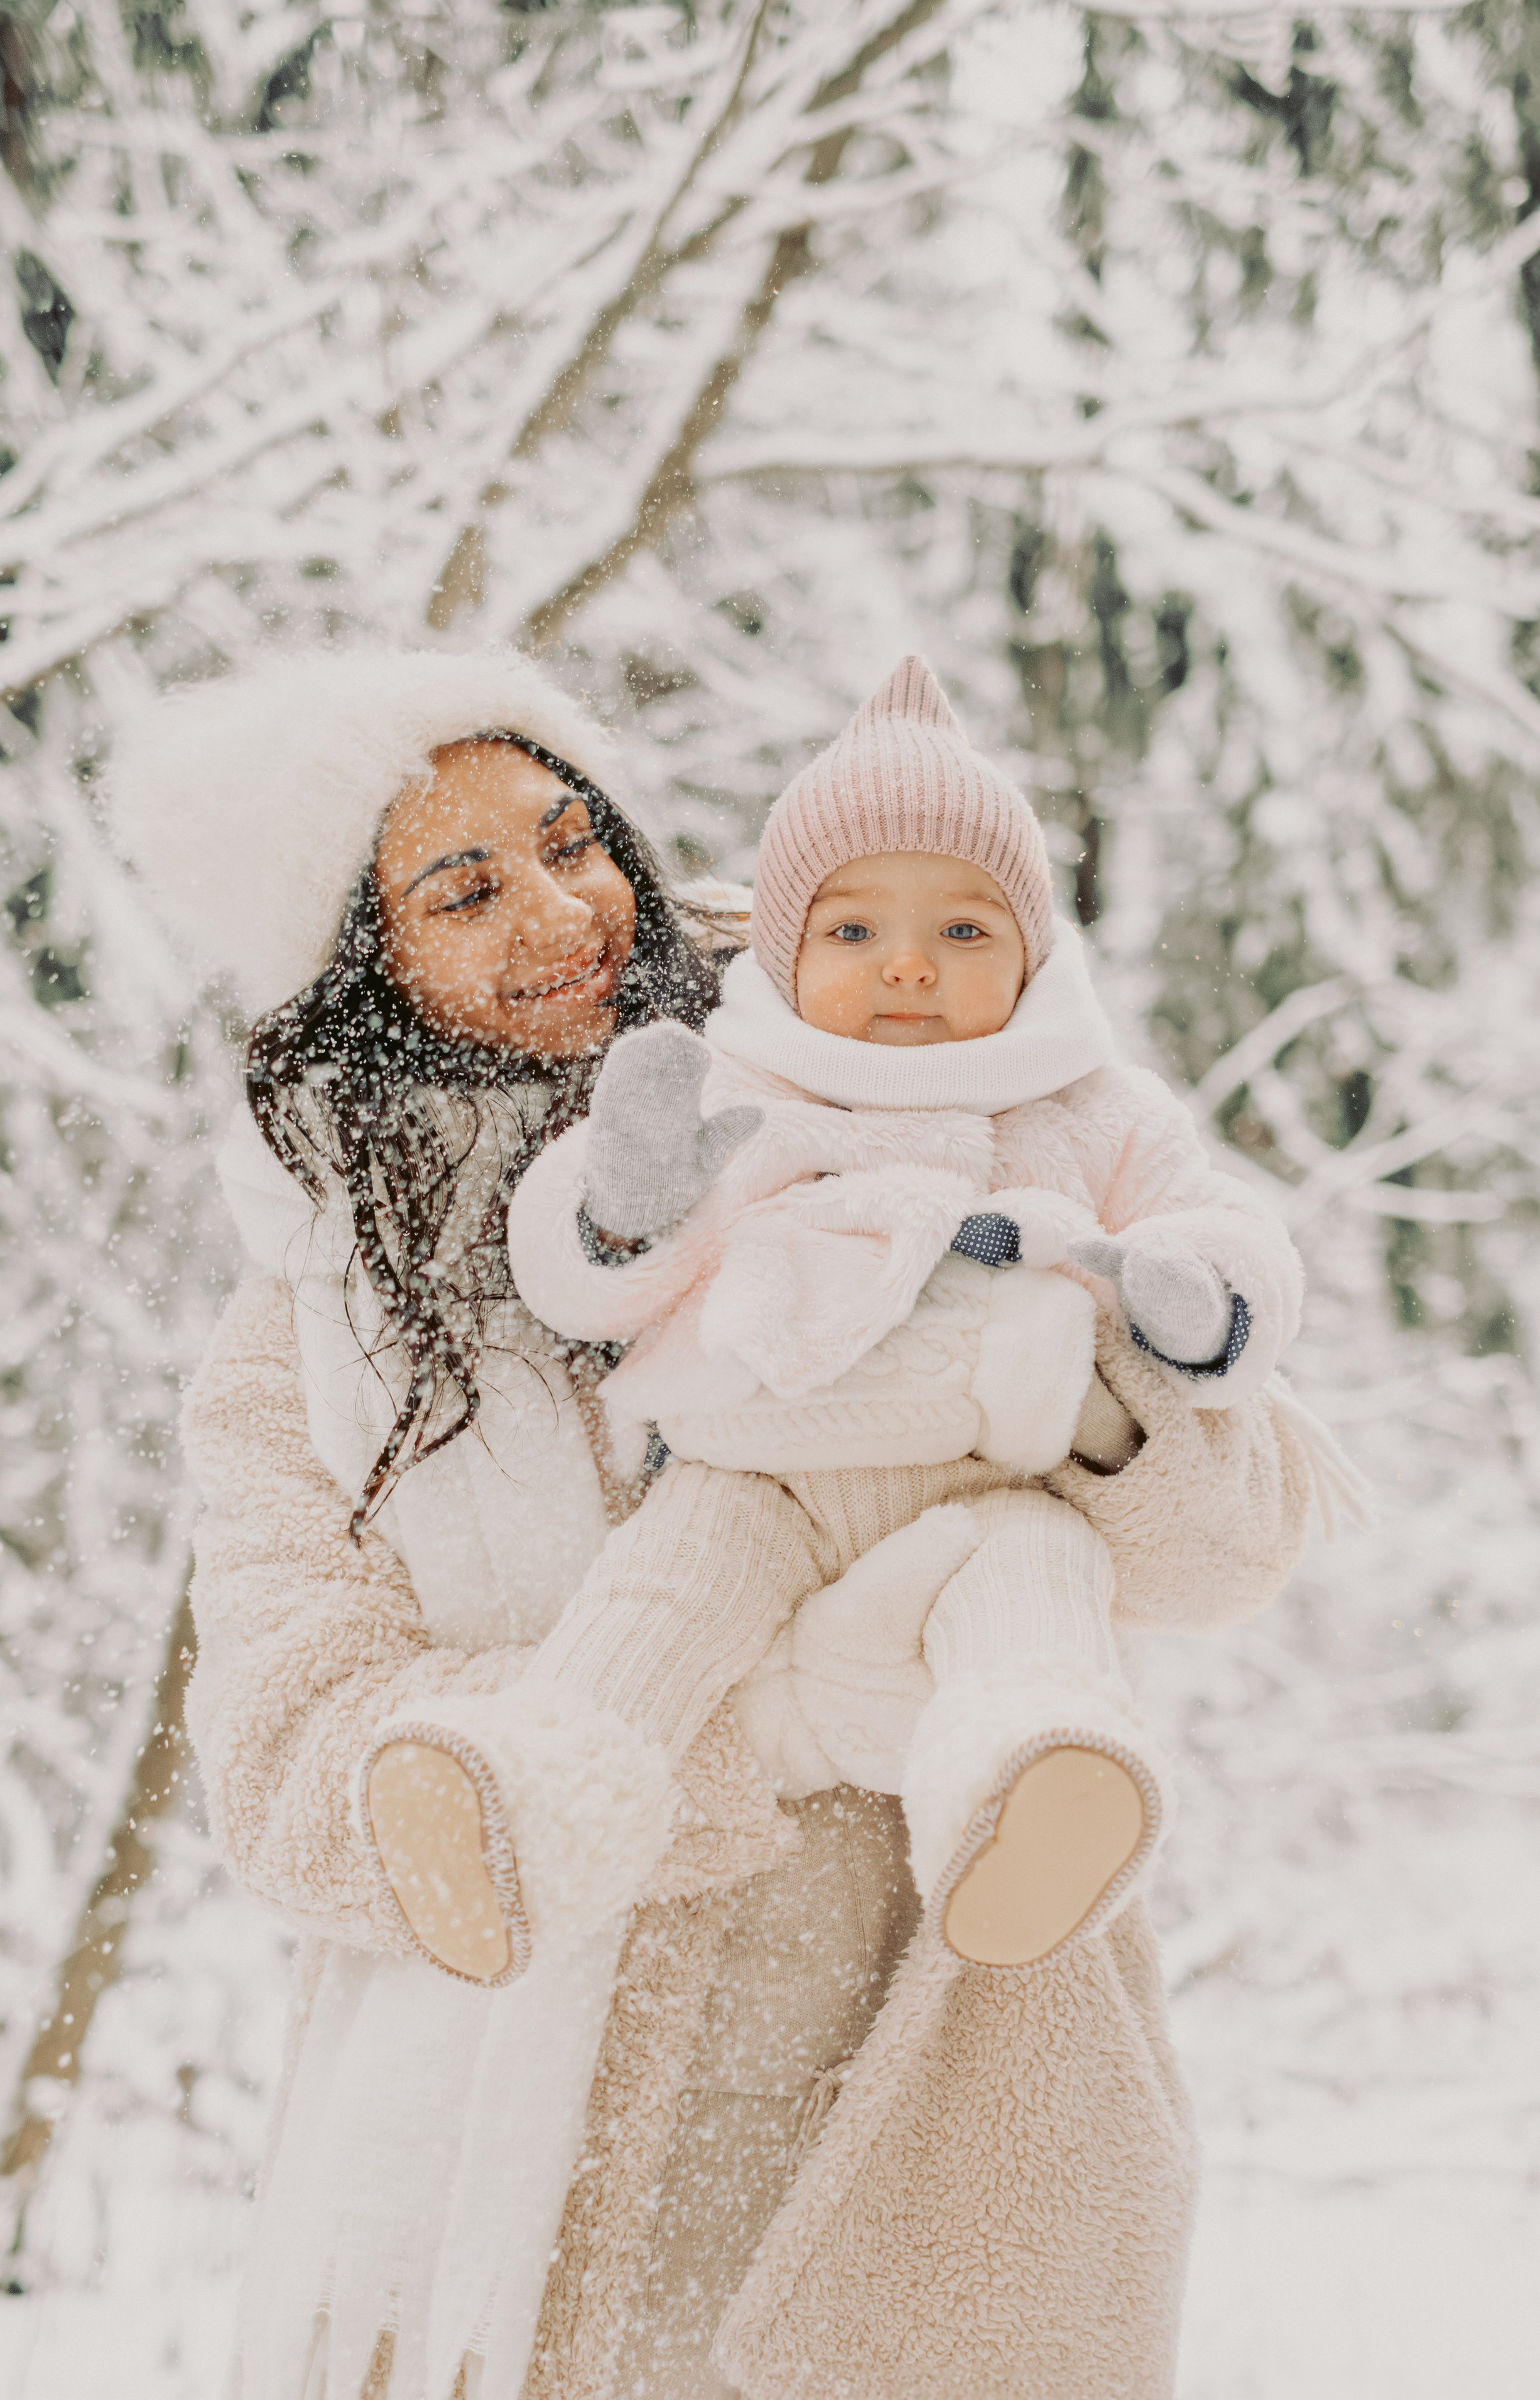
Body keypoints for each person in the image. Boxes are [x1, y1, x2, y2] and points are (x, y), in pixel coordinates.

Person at [111, 643, 1318, 2400]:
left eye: (570, 836)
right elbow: (296, 1775)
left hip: (939, 2062)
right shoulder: (310, 1341)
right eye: (464, 887)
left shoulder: (908, 1098)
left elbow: (1236, 1545)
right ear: (367, 973)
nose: (562, 907)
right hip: (527, 2149)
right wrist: (783, 1715)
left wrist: (1077, 1380)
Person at [371, 655, 1304, 1992]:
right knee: (663, 1595)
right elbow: (589, 1277)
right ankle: (528, 1799)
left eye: (965, 934)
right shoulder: (745, 1085)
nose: (908, 968)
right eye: (855, 934)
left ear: (1034, 954)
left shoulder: (1089, 1103)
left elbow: (1224, 1226)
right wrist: (623, 1205)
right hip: (760, 1477)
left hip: (995, 1492)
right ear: (787, 950)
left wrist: (1198, 1296)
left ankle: (1033, 1791)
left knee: (1035, 1598)